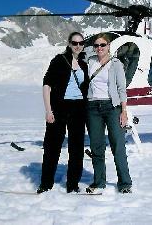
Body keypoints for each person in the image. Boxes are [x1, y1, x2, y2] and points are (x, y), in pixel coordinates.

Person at [37, 32, 89, 194]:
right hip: (59, 107)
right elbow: (47, 85)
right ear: (69, 44)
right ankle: (46, 183)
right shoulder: (59, 60)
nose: (78, 46)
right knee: (52, 146)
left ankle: (72, 184)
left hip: (78, 108)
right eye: (75, 43)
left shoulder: (84, 64)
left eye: (81, 43)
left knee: (77, 147)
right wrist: (48, 110)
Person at [86, 33, 133, 194]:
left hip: (112, 107)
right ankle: (99, 182)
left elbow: (121, 89)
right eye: (97, 45)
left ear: (108, 46)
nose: (99, 48)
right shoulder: (90, 61)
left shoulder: (116, 64)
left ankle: (125, 183)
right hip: (92, 107)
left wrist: (124, 111)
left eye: (102, 45)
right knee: (96, 146)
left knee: (118, 145)